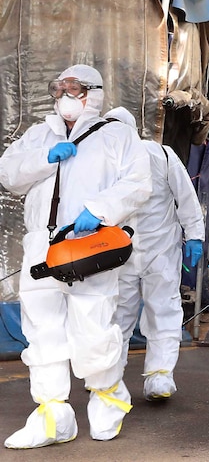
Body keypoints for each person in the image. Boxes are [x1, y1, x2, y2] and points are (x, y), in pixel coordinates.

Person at [0, 64, 152, 447]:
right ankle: (53, 417)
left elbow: (137, 183)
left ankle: (107, 401)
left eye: (74, 89)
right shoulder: (39, 134)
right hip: (42, 244)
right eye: (60, 89)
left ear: (94, 93)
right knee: (42, 330)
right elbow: (8, 173)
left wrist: (100, 209)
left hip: (90, 244)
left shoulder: (116, 135)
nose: (65, 96)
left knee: (93, 327)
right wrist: (45, 158)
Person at [105, 107, 205, 402]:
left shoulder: (160, 155)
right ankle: (109, 375)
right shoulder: (102, 162)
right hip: (118, 251)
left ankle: (160, 375)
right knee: (116, 314)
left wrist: (195, 236)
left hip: (160, 247)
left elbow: (186, 197)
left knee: (163, 309)